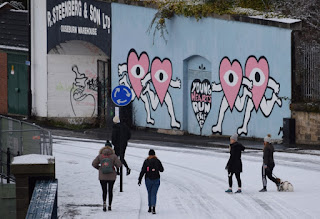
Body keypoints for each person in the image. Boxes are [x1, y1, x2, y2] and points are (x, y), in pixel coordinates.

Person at [92, 140, 122, 211]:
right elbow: (119, 165)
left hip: (102, 176)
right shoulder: (113, 156)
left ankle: (104, 203)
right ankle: (110, 205)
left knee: (104, 190)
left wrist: (99, 168)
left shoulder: (100, 156)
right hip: (111, 176)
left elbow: (94, 164)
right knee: (110, 190)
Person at [138, 149, 164, 214]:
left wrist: (139, 179)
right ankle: (154, 207)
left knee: (149, 193)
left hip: (148, 179)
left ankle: (149, 207)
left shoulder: (146, 161)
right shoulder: (157, 161)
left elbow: (143, 171)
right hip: (156, 179)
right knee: (154, 193)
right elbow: (162, 170)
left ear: (149, 154)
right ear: (154, 154)